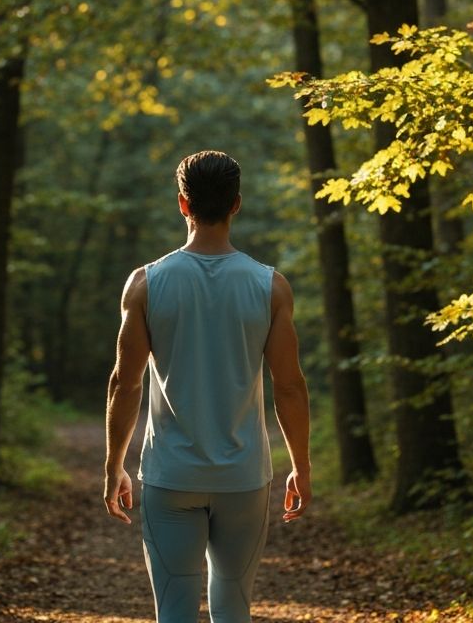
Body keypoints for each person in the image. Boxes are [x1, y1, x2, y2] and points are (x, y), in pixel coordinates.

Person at [103, 150, 312, 623]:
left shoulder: (145, 284)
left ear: (182, 204)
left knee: (174, 609)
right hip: (243, 477)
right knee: (233, 605)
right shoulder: (270, 286)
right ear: (236, 204)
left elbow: (125, 383)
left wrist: (113, 466)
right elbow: (290, 387)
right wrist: (301, 466)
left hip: (170, 476)